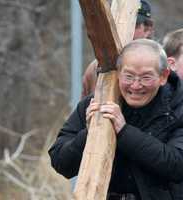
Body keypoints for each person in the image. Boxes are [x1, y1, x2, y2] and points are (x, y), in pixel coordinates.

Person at [49, 39, 183, 200]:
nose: (135, 85)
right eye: (129, 76)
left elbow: (177, 165)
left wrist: (124, 132)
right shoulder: (95, 103)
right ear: (118, 73)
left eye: (146, 78)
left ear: (163, 76)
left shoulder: (178, 106)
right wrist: (89, 133)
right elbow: (61, 164)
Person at [81, 0, 154, 98]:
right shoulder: (95, 67)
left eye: (133, 25)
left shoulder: (159, 64)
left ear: (147, 29)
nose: (127, 28)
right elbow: (82, 108)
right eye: (120, 23)